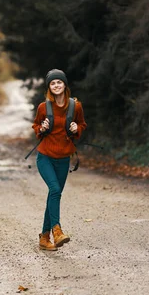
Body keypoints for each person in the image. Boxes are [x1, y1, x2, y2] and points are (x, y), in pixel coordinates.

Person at [32, 69, 87, 251]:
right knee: (55, 190)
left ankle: (44, 237)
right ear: (49, 87)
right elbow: (36, 125)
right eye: (53, 83)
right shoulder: (43, 107)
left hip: (64, 158)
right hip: (45, 156)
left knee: (53, 195)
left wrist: (75, 128)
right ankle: (57, 231)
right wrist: (42, 127)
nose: (56, 85)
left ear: (65, 85)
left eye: (59, 82)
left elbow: (82, 125)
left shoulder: (75, 106)